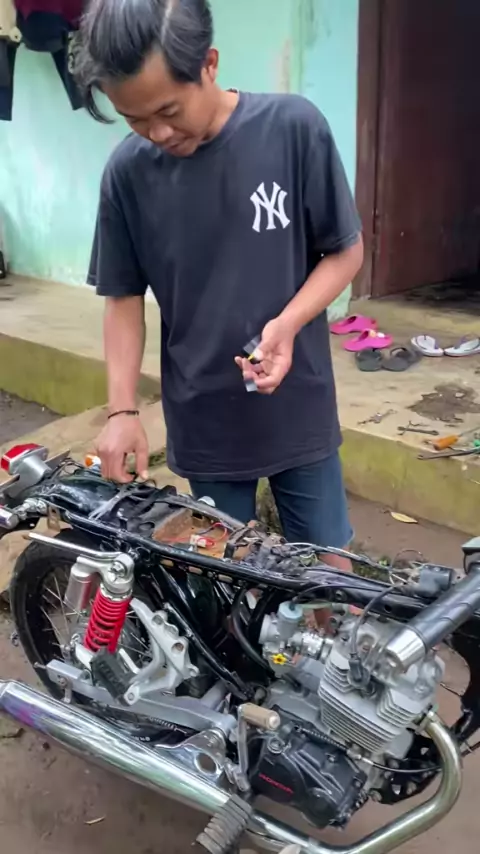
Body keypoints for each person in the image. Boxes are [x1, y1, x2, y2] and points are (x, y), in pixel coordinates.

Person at [76, 0, 364, 572]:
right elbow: (123, 298)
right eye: (135, 119)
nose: (158, 133)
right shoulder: (128, 173)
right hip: (204, 416)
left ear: (208, 64)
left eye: (168, 110)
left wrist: (287, 324)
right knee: (220, 575)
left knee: (331, 573)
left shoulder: (292, 129)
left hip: (297, 405)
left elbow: (344, 251)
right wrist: (121, 411)